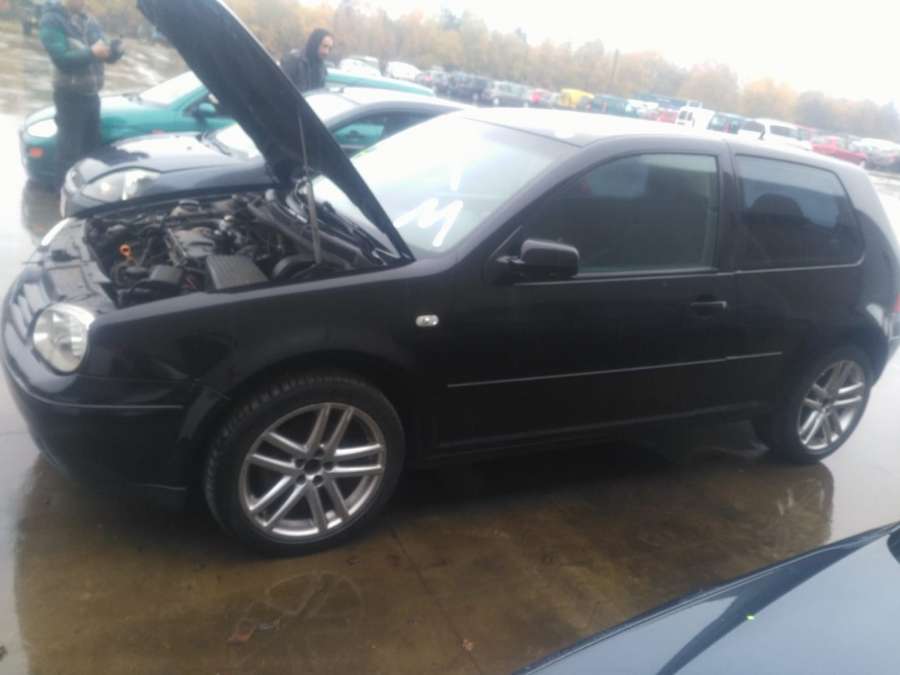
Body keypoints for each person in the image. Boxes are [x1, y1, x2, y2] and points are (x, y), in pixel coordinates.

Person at [39, 0, 123, 180]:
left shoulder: (89, 20)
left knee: (91, 152)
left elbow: (103, 52)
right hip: (69, 97)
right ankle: (63, 193)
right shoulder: (52, 20)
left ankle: (88, 192)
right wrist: (92, 53)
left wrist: (115, 51)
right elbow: (62, 59)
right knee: (68, 154)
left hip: (92, 96)